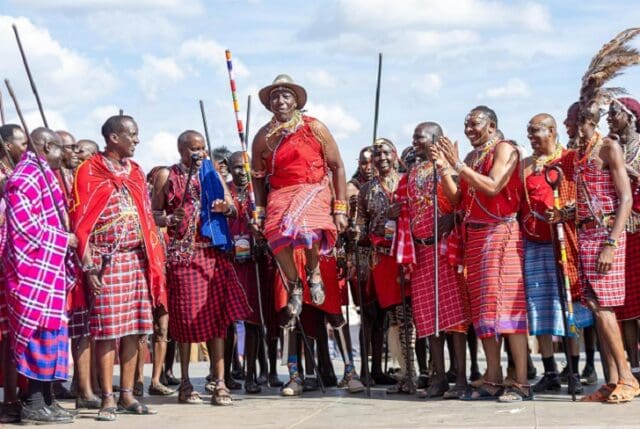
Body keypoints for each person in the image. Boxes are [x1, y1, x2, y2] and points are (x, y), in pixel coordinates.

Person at [251, 74, 348, 396]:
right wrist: (259, 209)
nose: (280, 101)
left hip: (313, 188)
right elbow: (258, 175)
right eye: (275, 96)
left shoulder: (315, 127)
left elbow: (336, 166)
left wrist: (340, 206)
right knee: (276, 235)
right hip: (281, 192)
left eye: (286, 96)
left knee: (305, 230)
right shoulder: (263, 136)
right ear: (269, 103)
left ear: (296, 101)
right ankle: (295, 283)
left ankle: (314, 271)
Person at [71, 115, 165, 421]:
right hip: (104, 261)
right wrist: (89, 267)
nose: (137, 140)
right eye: (132, 135)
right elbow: (80, 221)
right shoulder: (90, 171)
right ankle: (107, 398)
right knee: (107, 331)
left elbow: (146, 217)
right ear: (114, 137)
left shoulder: (135, 172)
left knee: (136, 331)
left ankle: (127, 395)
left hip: (136, 259)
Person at [438, 106, 530, 402]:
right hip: (475, 236)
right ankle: (493, 377)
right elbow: (457, 199)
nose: (468, 129)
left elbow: (492, 186)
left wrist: (459, 167)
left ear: (491, 125)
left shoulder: (505, 149)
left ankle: (522, 383)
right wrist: (443, 168)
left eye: (474, 123)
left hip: (500, 232)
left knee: (506, 306)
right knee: (483, 310)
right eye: (465, 124)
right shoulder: (470, 158)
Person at [151, 131, 249, 405]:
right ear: (181, 149)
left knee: (219, 321)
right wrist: (170, 218)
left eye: (202, 148)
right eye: (194, 149)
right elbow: (153, 214)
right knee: (183, 323)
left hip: (213, 254)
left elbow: (234, 209)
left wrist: (224, 207)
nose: (199, 154)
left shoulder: (213, 174)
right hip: (183, 257)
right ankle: (185, 383)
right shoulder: (166, 176)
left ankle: (219, 382)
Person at [4, 127, 77, 424]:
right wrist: (63, 239)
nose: (67, 153)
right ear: (46, 146)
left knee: (54, 335)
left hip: (49, 269)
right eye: (61, 147)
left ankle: (47, 398)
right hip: (32, 271)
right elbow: (23, 228)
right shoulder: (22, 180)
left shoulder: (45, 176)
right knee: (39, 335)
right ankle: (33, 402)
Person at [520, 114, 593, 396]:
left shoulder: (570, 159)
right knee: (539, 306)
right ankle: (550, 371)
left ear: (551, 131)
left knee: (570, 307)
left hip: (565, 242)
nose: (531, 137)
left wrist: (568, 210)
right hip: (534, 244)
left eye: (535, 131)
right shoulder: (525, 166)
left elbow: (584, 195)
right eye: (528, 132)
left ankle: (574, 370)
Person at [396, 122, 470, 399]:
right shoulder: (413, 172)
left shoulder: (447, 167)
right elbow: (406, 204)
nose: (415, 141)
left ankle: (460, 379)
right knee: (429, 321)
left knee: (455, 319)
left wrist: (442, 167)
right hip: (421, 253)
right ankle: (438, 378)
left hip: (444, 250)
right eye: (414, 136)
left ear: (436, 139)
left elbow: (457, 197)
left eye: (420, 136)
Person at [358, 138, 415, 394]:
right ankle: (404, 372)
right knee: (394, 317)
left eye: (385, 153)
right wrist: (354, 239)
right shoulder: (366, 190)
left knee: (409, 316)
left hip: (406, 254)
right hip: (381, 258)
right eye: (377, 154)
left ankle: (414, 372)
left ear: (395, 155)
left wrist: (400, 213)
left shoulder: (407, 181)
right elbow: (360, 226)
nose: (381, 158)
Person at [609, 97, 640, 382]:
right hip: (622, 235)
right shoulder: (610, 148)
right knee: (626, 304)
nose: (609, 118)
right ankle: (634, 364)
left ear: (629, 116)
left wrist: (629, 172)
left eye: (614, 113)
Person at [0, 124, 28, 424]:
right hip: (2, 260)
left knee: (12, 335)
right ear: (6, 145)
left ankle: (14, 396)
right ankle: (7, 400)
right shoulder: (6, 177)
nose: (26, 149)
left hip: (15, 263)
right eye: (21, 144)